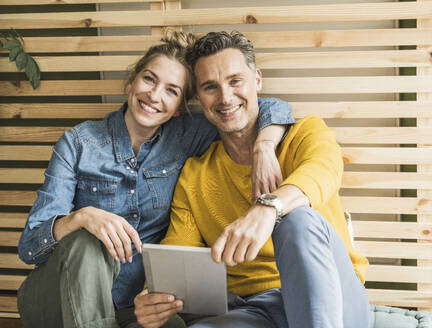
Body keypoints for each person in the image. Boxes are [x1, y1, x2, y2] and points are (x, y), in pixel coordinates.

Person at [17, 31, 294, 328]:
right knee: (86, 240)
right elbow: (30, 246)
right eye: (149, 79)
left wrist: (264, 145)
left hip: (133, 306)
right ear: (131, 82)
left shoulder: (187, 136)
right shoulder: (79, 143)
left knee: (172, 324)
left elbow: (263, 108)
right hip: (58, 298)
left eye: (172, 91)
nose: (155, 95)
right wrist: (82, 217)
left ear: (181, 108)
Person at [134, 31, 370, 328]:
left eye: (235, 81)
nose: (225, 97)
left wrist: (268, 207)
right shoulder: (194, 175)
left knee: (297, 220)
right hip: (251, 310)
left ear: (256, 80)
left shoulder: (305, 134)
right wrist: (152, 297)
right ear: (197, 98)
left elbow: (324, 170)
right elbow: (178, 257)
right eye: (210, 87)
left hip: (334, 299)